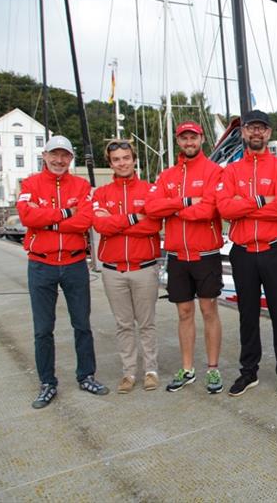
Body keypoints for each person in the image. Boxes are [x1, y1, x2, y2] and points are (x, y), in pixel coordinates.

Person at [17, 135, 108, 409]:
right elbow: (26, 216)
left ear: (71, 158)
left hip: (74, 263)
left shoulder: (81, 186)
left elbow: (85, 220)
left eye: (65, 156)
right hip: (41, 264)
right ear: (44, 155)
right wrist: (65, 213)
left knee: (82, 324)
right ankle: (47, 382)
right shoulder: (30, 183)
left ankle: (86, 375)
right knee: (43, 329)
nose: (59, 160)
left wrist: (48, 217)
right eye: (54, 155)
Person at [217, 110, 277, 398]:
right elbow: (225, 209)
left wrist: (244, 202)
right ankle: (248, 372)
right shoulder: (231, 171)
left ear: (269, 133)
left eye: (261, 128)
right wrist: (264, 199)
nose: (256, 133)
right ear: (244, 132)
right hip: (243, 253)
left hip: (275, 250)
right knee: (247, 315)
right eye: (251, 128)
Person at [144, 121, 224, 394]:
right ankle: (187, 368)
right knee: (184, 312)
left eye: (193, 137)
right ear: (178, 142)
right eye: (184, 138)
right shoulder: (167, 175)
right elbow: (152, 208)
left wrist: (174, 208)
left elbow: (209, 210)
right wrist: (186, 201)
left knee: (208, 310)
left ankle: (212, 369)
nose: (189, 142)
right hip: (177, 255)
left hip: (206, 254)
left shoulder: (214, 171)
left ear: (201, 139)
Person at [92, 139, 163, 394]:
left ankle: (151, 370)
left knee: (146, 322)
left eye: (126, 158)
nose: (122, 163)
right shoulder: (101, 193)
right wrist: (134, 218)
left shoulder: (150, 190)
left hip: (144, 268)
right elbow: (101, 226)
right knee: (123, 324)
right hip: (113, 270)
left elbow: (153, 226)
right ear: (110, 163)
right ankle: (128, 372)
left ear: (134, 160)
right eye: (116, 159)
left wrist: (116, 222)